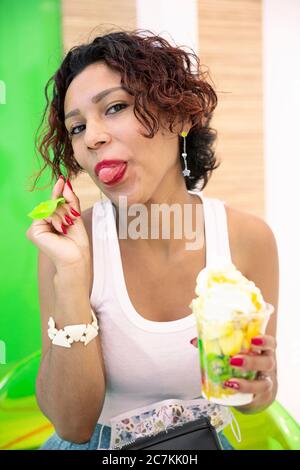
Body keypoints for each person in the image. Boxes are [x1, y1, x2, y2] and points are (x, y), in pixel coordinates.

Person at [26, 29, 279, 450]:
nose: (92, 138)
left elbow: (254, 397)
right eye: (77, 127)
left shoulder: (248, 239)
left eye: (116, 107)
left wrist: (260, 387)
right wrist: (71, 275)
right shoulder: (69, 246)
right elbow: (72, 424)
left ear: (179, 116)